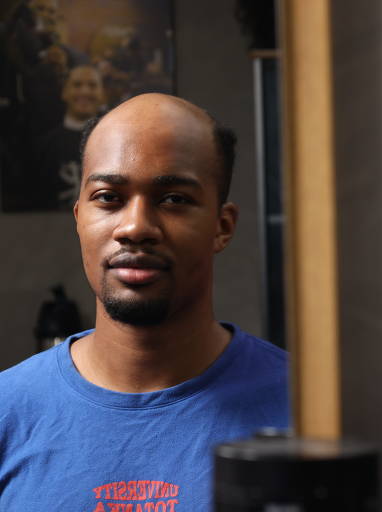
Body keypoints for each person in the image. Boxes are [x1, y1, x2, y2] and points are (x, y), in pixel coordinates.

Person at [0, 93, 290, 510]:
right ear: (79, 218)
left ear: (222, 227)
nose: (135, 227)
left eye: (173, 199)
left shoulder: (304, 409)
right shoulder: (9, 412)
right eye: (109, 198)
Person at [33, 64, 105, 210]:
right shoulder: (46, 146)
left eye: (92, 86)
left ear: (102, 94)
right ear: (64, 92)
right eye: (77, 85)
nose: (85, 91)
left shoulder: (117, 143)